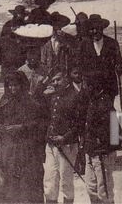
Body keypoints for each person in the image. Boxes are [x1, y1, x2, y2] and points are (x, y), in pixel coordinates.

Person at [0, 70, 49, 204]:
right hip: (9, 149)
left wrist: (21, 127)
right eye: (10, 85)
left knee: (28, 185)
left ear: (22, 85)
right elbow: (0, 122)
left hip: (27, 150)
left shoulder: (31, 103)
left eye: (16, 85)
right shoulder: (5, 101)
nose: (13, 89)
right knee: (10, 186)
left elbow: (40, 124)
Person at [43, 68, 85, 204]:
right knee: (49, 182)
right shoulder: (52, 96)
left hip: (67, 145)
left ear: (66, 79)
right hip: (51, 145)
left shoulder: (75, 96)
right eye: (53, 80)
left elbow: (79, 124)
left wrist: (64, 138)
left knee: (66, 182)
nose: (55, 83)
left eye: (58, 79)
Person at [82, 77, 118, 204]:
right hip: (91, 151)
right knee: (91, 187)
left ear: (92, 87)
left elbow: (114, 130)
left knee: (104, 190)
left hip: (101, 153)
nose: (84, 87)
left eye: (86, 85)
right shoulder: (92, 101)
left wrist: (105, 148)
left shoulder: (105, 104)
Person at [78, 14, 122, 99]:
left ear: (102, 28)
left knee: (107, 110)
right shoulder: (84, 45)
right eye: (92, 29)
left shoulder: (112, 43)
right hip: (90, 87)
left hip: (108, 86)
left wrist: (119, 67)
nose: (95, 31)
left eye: (98, 28)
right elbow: (79, 65)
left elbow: (119, 62)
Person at [40, 12, 76, 79]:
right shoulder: (46, 41)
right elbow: (43, 61)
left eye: (60, 24)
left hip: (64, 74)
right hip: (49, 75)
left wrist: (64, 40)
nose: (57, 26)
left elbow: (73, 54)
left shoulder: (68, 39)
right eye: (55, 23)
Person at [0, 6, 28, 81]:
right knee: (7, 82)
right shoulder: (7, 25)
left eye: (22, 15)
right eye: (18, 14)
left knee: (19, 81)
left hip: (20, 59)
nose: (20, 16)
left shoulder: (26, 26)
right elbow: (1, 41)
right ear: (15, 15)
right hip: (7, 59)